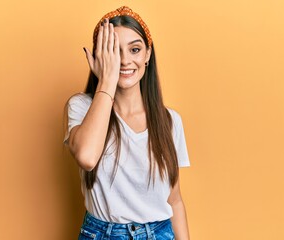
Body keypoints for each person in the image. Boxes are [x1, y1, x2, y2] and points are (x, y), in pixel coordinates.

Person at [64, 6, 190, 240]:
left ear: (148, 55)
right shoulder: (80, 107)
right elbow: (87, 157)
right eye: (113, 51)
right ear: (99, 56)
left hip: (160, 233)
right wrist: (107, 80)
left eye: (134, 49)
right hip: (103, 234)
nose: (124, 60)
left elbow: (175, 200)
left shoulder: (170, 121)